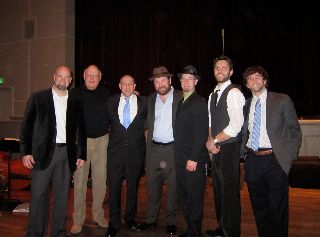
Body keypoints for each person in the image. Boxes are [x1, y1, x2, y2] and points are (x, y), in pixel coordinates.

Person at [20, 65, 87, 237]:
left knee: (62, 197)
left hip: (66, 155)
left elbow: (81, 129)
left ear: (71, 80)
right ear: (54, 77)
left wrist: (81, 154)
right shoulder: (38, 98)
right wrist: (26, 152)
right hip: (41, 155)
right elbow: (26, 127)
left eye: (67, 77)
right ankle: (35, 233)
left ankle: (59, 232)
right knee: (38, 197)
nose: (63, 80)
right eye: (60, 76)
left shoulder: (75, 102)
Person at [241, 65, 302, 237]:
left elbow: (294, 131)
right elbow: (244, 132)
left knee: (278, 208)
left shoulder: (282, 100)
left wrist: (288, 159)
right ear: (247, 84)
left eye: (258, 76)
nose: (254, 80)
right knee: (259, 207)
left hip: (275, 160)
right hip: (253, 160)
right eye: (250, 78)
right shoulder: (246, 105)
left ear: (265, 81)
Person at [139, 66, 182, 235]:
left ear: (170, 81)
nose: (161, 83)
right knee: (152, 188)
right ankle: (150, 219)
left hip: (173, 150)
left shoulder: (180, 97)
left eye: (164, 80)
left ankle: (171, 221)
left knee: (173, 189)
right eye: (157, 81)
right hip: (154, 150)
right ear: (154, 84)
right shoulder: (150, 100)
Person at [206, 55, 245, 237]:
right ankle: (222, 228)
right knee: (219, 191)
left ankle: (231, 232)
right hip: (216, 147)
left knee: (230, 194)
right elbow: (210, 122)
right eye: (217, 68)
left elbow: (236, 126)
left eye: (224, 67)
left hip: (229, 148)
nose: (219, 70)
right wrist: (209, 139)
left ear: (231, 72)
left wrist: (214, 141)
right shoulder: (212, 94)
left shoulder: (234, 93)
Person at [105, 75, 147, 237]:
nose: (128, 87)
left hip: (135, 154)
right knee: (114, 188)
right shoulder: (111, 102)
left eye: (131, 84)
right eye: (125, 84)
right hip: (115, 153)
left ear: (135, 85)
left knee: (132, 188)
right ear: (119, 86)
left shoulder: (144, 102)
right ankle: (113, 223)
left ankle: (130, 219)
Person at [70, 65, 110, 234]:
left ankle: (98, 216)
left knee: (100, 180)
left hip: (102, 140)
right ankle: (78, 219)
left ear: (100, 78)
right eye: (89, 75)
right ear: (84, 76)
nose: (92, 78)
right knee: (79, 181)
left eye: (95, 76)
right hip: (81, 142)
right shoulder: (74, 94)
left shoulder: (105, 93)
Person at [174, 65, 209, 237]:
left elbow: (201, 133)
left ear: (195, 82)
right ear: (180, 82)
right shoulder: (181, 100)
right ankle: (190, 230)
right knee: (185, 197)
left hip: (192, 160)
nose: (186, 82)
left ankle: (195, 233)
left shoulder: (199, 102)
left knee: (194, 199)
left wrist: (193, 158)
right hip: (180, 159)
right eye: (183, 79)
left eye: (190, 79)